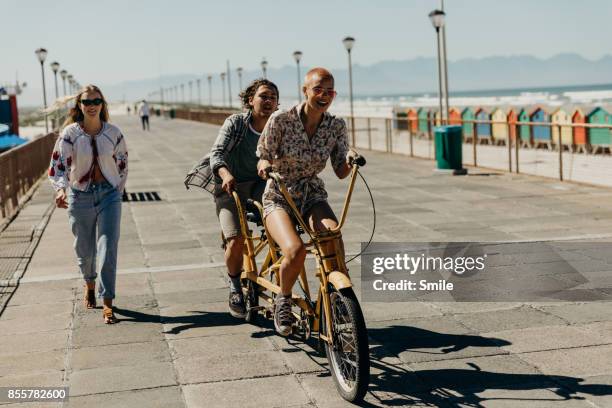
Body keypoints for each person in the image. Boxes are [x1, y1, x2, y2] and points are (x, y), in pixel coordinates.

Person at [257, 68, 358, 336]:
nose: (324, 96)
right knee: (296, 250)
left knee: (332, 235)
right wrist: (266, 165)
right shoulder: (281, 119)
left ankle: (337, 297)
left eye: (330, 91)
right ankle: (284, 299)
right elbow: (263, 155)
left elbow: (339, 170)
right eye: (318, 90)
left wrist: (350, 159)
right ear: (305, 90)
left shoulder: (336, 126)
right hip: (279, 193)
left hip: (311, 192)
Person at [48, 85, 128, 324]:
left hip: (109, 196)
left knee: (108, 247)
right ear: (79, 106)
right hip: (79, 196)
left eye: (96, 101)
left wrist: (117, 189)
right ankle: (90, 284)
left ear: (102, 104)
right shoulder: (69, 134)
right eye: (86, 102)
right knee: (85, 250)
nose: (92, 105)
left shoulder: (114, 133)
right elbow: (58, 166)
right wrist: (61, 190)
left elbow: (122, 164)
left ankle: (108, 303)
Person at [208, 79, 279, 318]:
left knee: (282, 228)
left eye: (273, 97)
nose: (268, 101)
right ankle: (235, 285)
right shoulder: (237, 123)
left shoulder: (278, 125)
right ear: (250, 100)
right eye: (263, 96)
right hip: (230, 186)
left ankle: (277, 285)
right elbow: (216, 153)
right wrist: (225, 173)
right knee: (236, 239)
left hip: (261, 184)